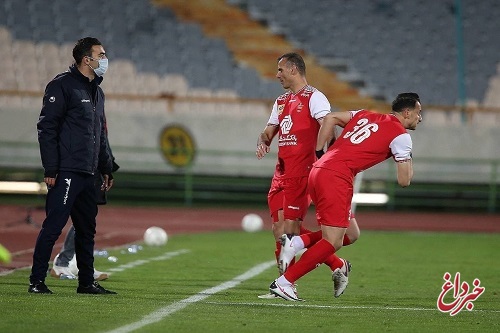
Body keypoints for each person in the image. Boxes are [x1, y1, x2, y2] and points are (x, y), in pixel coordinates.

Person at [270, 92, 422, 301]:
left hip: (319, 170)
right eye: (418, 112)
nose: (419, 118)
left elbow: (331, 118)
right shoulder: (401, 136)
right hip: (337, 177)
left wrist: (319, 153)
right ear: (407, 112)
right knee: (333, 241)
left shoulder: (365, 114)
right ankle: (284, 283)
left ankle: (296, 243)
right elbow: (404, 181)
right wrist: (408, 155)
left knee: (351, 233)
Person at [255, 52, 358, 298]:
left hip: (306, 173)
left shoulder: (315, 97)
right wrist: (264, 139)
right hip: (282, 173)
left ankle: (285, 283)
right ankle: (335, 266)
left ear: (293, 70)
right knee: (281, 232)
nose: (277, 75)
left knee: (290, 234)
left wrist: (327, 156)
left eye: (280, 70)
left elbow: (328, 124)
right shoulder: (280, 101)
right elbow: (270, 129)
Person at [29, 37, 116, 294]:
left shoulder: (97, 92)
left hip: (89, 173)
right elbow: (47, 129)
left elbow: (100, 134)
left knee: (86, 230)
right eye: (101, 55)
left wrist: (106, 167)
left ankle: (86, 283)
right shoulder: (61, 86)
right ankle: (36, 281)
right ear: (86, 59)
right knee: (54, 226)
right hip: (66, 171)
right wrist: (51, 169)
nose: (104, 59)